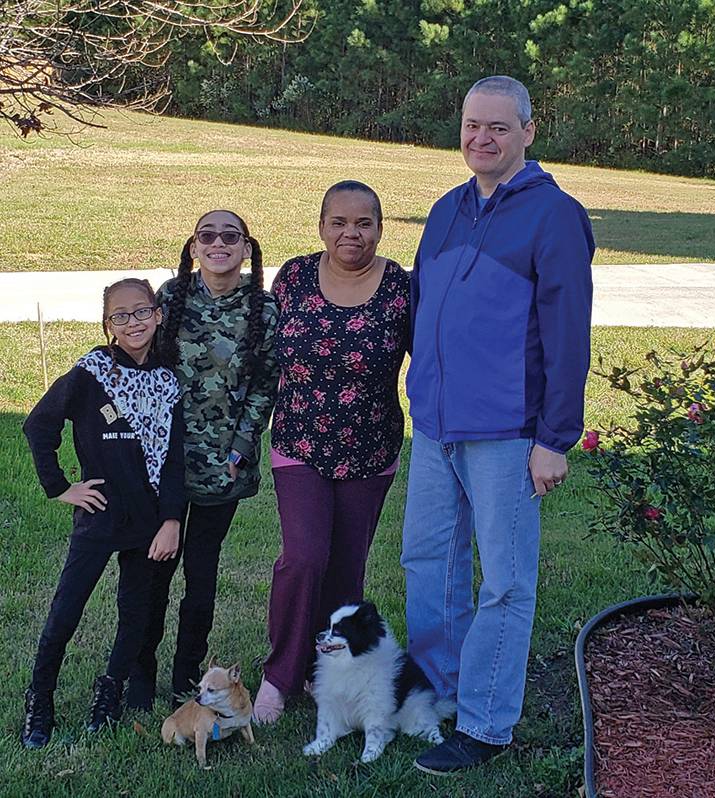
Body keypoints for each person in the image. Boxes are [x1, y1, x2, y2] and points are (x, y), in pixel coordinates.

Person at [401, 76, 594, 774]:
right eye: (472, 126)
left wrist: (552, 438)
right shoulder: (447, 209)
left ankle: (486, 725)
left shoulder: (554, 216)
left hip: (511, 433)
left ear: (528, 132)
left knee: (503, 582)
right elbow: (426, 310)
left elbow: (568, 335)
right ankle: (440, 695)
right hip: (436, 426)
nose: (481, 138)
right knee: (429, 566)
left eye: (498, 128)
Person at [252, 181, 410, 723]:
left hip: (370, 449)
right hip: (299, 441)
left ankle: (329, 672)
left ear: (380, 228)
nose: (351, 233)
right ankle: (280, 675)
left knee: (345, 570)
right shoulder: (293, 277)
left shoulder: (400, 288)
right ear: (321, 227)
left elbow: (436, 357)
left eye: (363, 222)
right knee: (303, 558)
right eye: (338, 222)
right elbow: (262, 351)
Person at [21, 278, 184, 749]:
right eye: (120, 316)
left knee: (135, 613)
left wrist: (171, 519)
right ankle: (41, 698)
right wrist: (60, 487)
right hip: (100, 518)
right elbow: (39, 425)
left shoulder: (167, 382)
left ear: (157, 315)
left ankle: (109, 692)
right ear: (107, 325)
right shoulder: (91, 372)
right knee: (66, 610)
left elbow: (174, 458)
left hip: (149, 522)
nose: (132, 322)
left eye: (142, 312)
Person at [127, 210, 279, 709]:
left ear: (245, 248)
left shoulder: (263, 308)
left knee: (200, 574)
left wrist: (240, 446)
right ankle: (140, 674)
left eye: (229, 236)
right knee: (155, 572)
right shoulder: (170, 297)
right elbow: (143, 362)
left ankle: (186, 677)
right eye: (207, 236)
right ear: (194, 246)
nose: (219, 244)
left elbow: (264, 384)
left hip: (223, 466)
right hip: (165, 462)